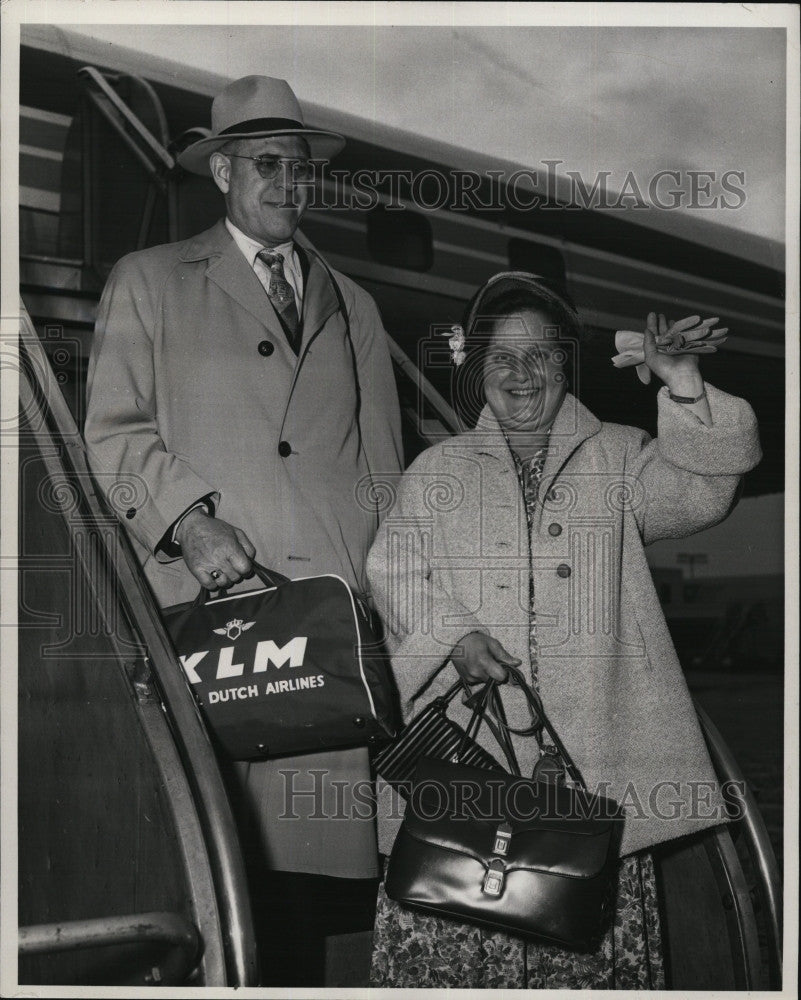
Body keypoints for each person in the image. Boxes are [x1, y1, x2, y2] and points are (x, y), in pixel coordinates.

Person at [84, 75, 403, 984]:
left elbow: (382, 468)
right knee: (209, 875)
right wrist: (187, 521)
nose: (287, 182)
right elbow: (110, 431)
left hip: (326, 628)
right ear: (221, 169)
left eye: (299, 166)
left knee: (310, 902)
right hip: (214, 622)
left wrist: (383, 596)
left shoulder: (356, 304)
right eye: (267, 164)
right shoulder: (148, 280)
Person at [366, 272, 761, 989]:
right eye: (503, 357)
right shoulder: (433, 472)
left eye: (541, 355)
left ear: (564, 365)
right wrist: (454, 635)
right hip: (469, 776)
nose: (522, 374)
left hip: (593, 785)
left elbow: (705, 489)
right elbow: (392, 571)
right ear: (476, 366)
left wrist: (680, 384)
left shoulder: (618, 454)